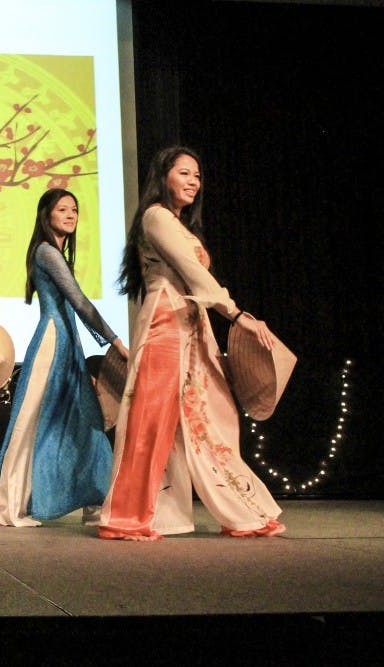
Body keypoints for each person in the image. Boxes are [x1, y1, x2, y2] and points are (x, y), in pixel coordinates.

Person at [98, 146, 285, 541]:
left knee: (210, 418)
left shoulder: (180, 225)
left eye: (197, 175)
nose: (193, 182)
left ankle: (242, 510)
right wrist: (236, 314)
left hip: (191, 326)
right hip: (165, 325)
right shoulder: (155, 217)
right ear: (163, 176)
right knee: (151, 419)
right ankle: (129, 515)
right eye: (184, 173)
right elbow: (191, 271)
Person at [0, 189, 129, 527]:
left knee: (86, 419)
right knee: (32, 420)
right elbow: (79, 301)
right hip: (52, 342)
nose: (70, 215)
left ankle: (93, 500)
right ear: (47, 215)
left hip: (68, 342)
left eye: (74, 210)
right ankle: (11, 507)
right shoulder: (46, 252)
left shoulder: (56, 253)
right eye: (62, 209)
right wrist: (115, 341)